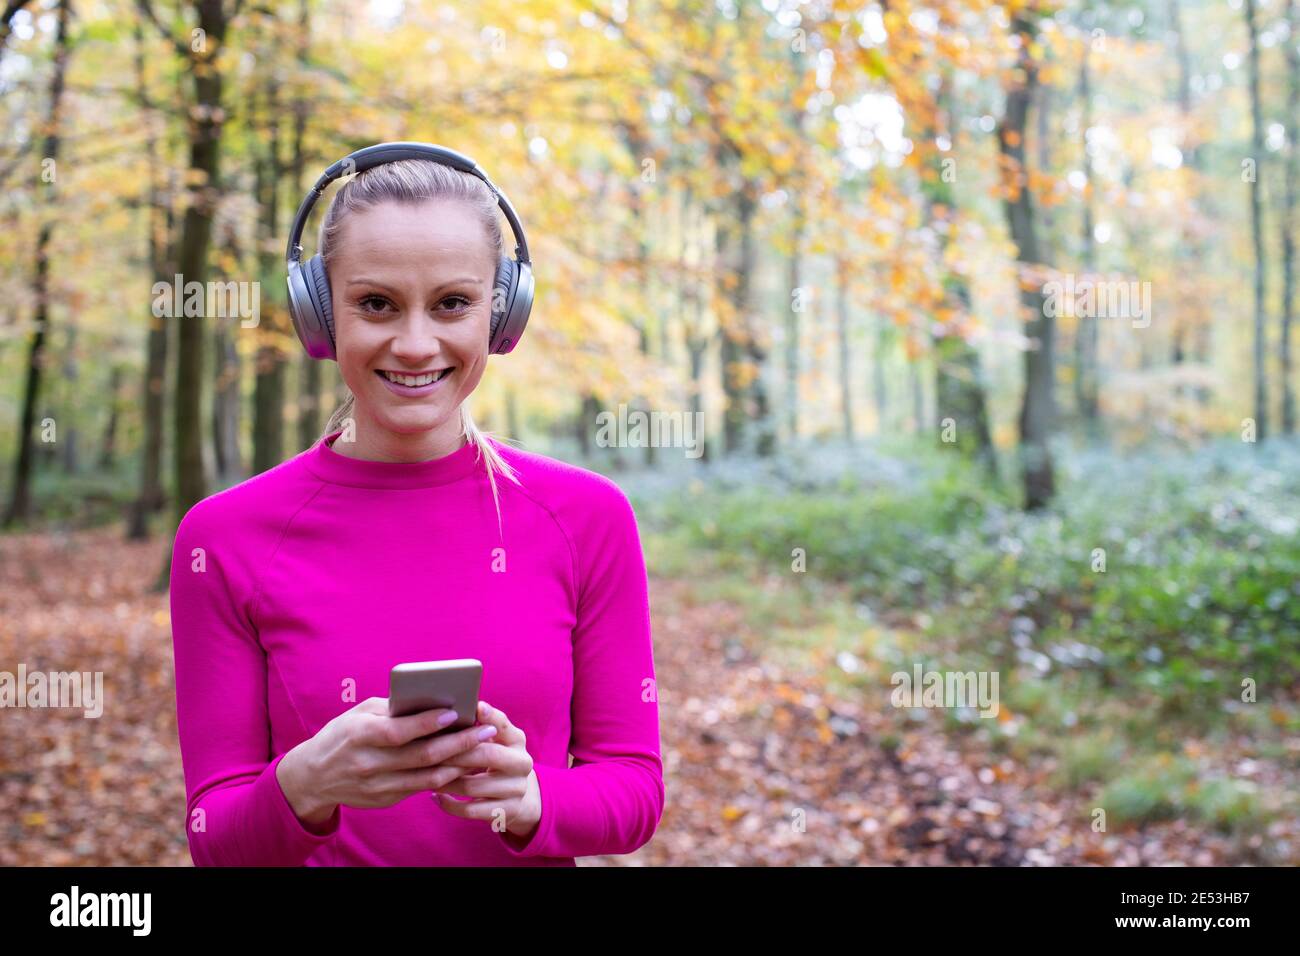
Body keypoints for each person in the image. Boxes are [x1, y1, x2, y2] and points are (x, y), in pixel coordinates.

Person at [168, 150, 664, 866]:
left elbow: (635, 791)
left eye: (452, 304)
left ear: (502, 313)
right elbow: (214, 837)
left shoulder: (588, 519)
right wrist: (303, 785)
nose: (414, 343)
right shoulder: (224, 537)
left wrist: (533, 800)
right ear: (318, 314)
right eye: (375, 304)